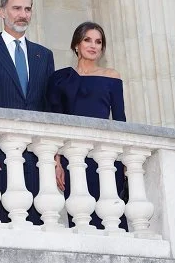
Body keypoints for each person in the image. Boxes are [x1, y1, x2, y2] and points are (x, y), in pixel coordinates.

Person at [0, 0, 55, 225]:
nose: (23, 14)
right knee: (2, 224)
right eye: (16, 8)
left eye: (27, 9)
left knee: (40, 225)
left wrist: (54, 156)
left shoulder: (44, 55)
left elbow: (48, 107)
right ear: (2, 12)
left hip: (38, 158)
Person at [47, 21, 127, 230]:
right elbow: (55, 120)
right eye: (87, 40)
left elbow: (120, 120)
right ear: (76, 45)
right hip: (73, 156)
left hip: (105, 157)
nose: (93, 45)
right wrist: (56, 161)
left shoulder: (111, 76)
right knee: (81, 218)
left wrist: (126, 160)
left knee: (110, 218)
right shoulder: (59, 78)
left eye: (98, 42)